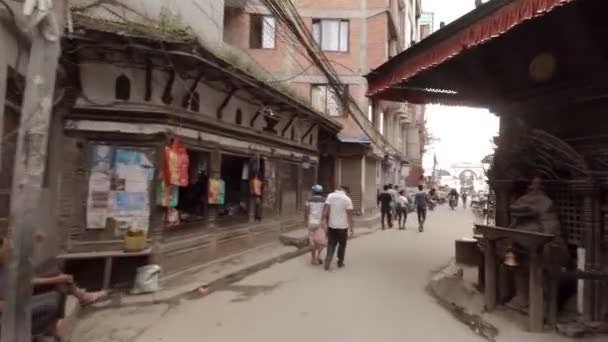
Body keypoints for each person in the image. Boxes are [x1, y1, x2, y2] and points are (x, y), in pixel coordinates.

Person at [322, 185, 354, 271]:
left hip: (331, 225)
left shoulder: (330, 196)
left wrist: (323, 222)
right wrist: (351, 228)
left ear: (340, 189)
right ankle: (340, 262)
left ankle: (328, 260)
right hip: (343, 227)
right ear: (346, 191)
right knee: (342, 245)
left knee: (331, 244)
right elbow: (350, 215)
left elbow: (325, 212)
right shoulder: (347, 199)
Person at [305, 185, 326, 265]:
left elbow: (306, 211)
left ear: (313, 191)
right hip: (320, 223)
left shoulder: (309, 200)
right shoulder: (325, 200)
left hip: (311, 222)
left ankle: (313, 259)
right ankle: (318, 256)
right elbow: (326, 212)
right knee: (321, 241)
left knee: (312, 241)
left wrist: (306, 221)